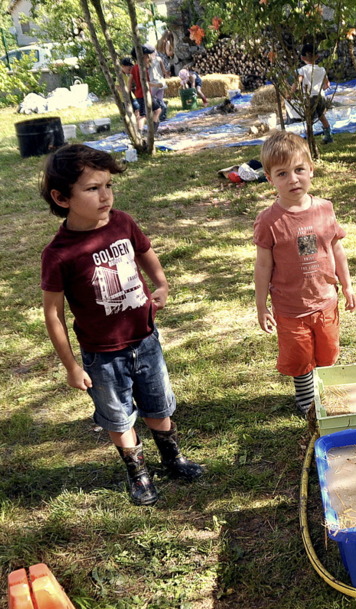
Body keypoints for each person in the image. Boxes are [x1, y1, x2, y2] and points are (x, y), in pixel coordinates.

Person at [39, 144, 203, 506]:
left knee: (158, 405)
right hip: (102, 355)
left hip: (145, 339)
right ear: (61, 197)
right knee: (118, 417)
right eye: (93, 188)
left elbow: (144, 251)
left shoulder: (123, 222)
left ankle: (173, 458)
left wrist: (161, 283)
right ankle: (139, 473)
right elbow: (53, 313)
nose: (105, 195)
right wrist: (71, 366)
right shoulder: (59, 254)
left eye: (108, 186)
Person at [253, 131, 356, 415]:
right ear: (269, 178)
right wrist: (261, 305)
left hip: (325, 300)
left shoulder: (325, 209)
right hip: (290, 308)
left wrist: (347, 285)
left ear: (311, 168)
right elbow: (263, 266)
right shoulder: (268, 221)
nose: (293, 179)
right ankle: (307, 401)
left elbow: (337, 250)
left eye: (299, 170)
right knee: (300, 358)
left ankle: (323, 392)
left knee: (326, 353)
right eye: (282, 173)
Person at [290, 43, 334, 144]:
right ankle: (328, 135)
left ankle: (309, 138)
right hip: (320, 96)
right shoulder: (322, 69)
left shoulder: (303, 70)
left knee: (308, 119)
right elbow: (327, 84)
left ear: (302, 57)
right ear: (317, 56)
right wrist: (321, 88)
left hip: (309, 97)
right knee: (321, 116)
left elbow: (298, 82)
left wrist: (291, 93)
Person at [130, 44, 164, 131]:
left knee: (157, 110)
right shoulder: (141, 69)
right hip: (142, 95)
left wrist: (130, 89)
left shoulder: (134, 68)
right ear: (142, 57)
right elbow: (144, 82)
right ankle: (140, 133)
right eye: (147, 56)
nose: (148, 58)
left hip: (146, 94)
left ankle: (153, 130)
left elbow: (131, 81)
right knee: (142, 116)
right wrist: (157, 85)